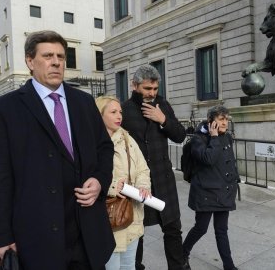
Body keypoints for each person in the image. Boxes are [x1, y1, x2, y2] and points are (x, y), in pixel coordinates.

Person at [0, 30, 115, 270]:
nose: (56, 62)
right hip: (38, 235)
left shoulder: (84, 102)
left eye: (60, 56)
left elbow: (105, 148)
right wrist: (2, 235)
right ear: (29, 61)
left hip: (87, 232)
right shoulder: (5, 109)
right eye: (47, 56)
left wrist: (99, 180)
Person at [121, 65, 187, 270]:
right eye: (147, 88)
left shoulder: (163, 106)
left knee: (173, 228)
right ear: (134, 85)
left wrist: (163, 120)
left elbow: (180, 135)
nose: (152, 93)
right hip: (138, 183)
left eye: (155, 89)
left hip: (163, 179)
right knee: (136, 232)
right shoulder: (124, 110)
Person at [95, 96, 152, 270]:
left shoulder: (127, 139)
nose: (119, 116)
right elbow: (85, 176)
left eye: (120, 112)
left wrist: (143, 186)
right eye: (113, 112)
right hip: (108, 220)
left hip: (131, 216)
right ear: (99, 115)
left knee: (129, 266)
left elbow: (143, 169)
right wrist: (112, 186)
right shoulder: (91, 143)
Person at [182, 105, 239, 270]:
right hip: (205, 192)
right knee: (201, 228)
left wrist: (235, 180)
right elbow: (208, 159)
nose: (225, 123)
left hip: (224, 191)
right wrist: (213, 137)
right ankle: (183, 252)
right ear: (210, 121)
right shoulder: (198, 139)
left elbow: (229, 163)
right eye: (221, 119)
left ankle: (229, 266)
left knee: (222, 230)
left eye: (226, 119)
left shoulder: (227, 137)